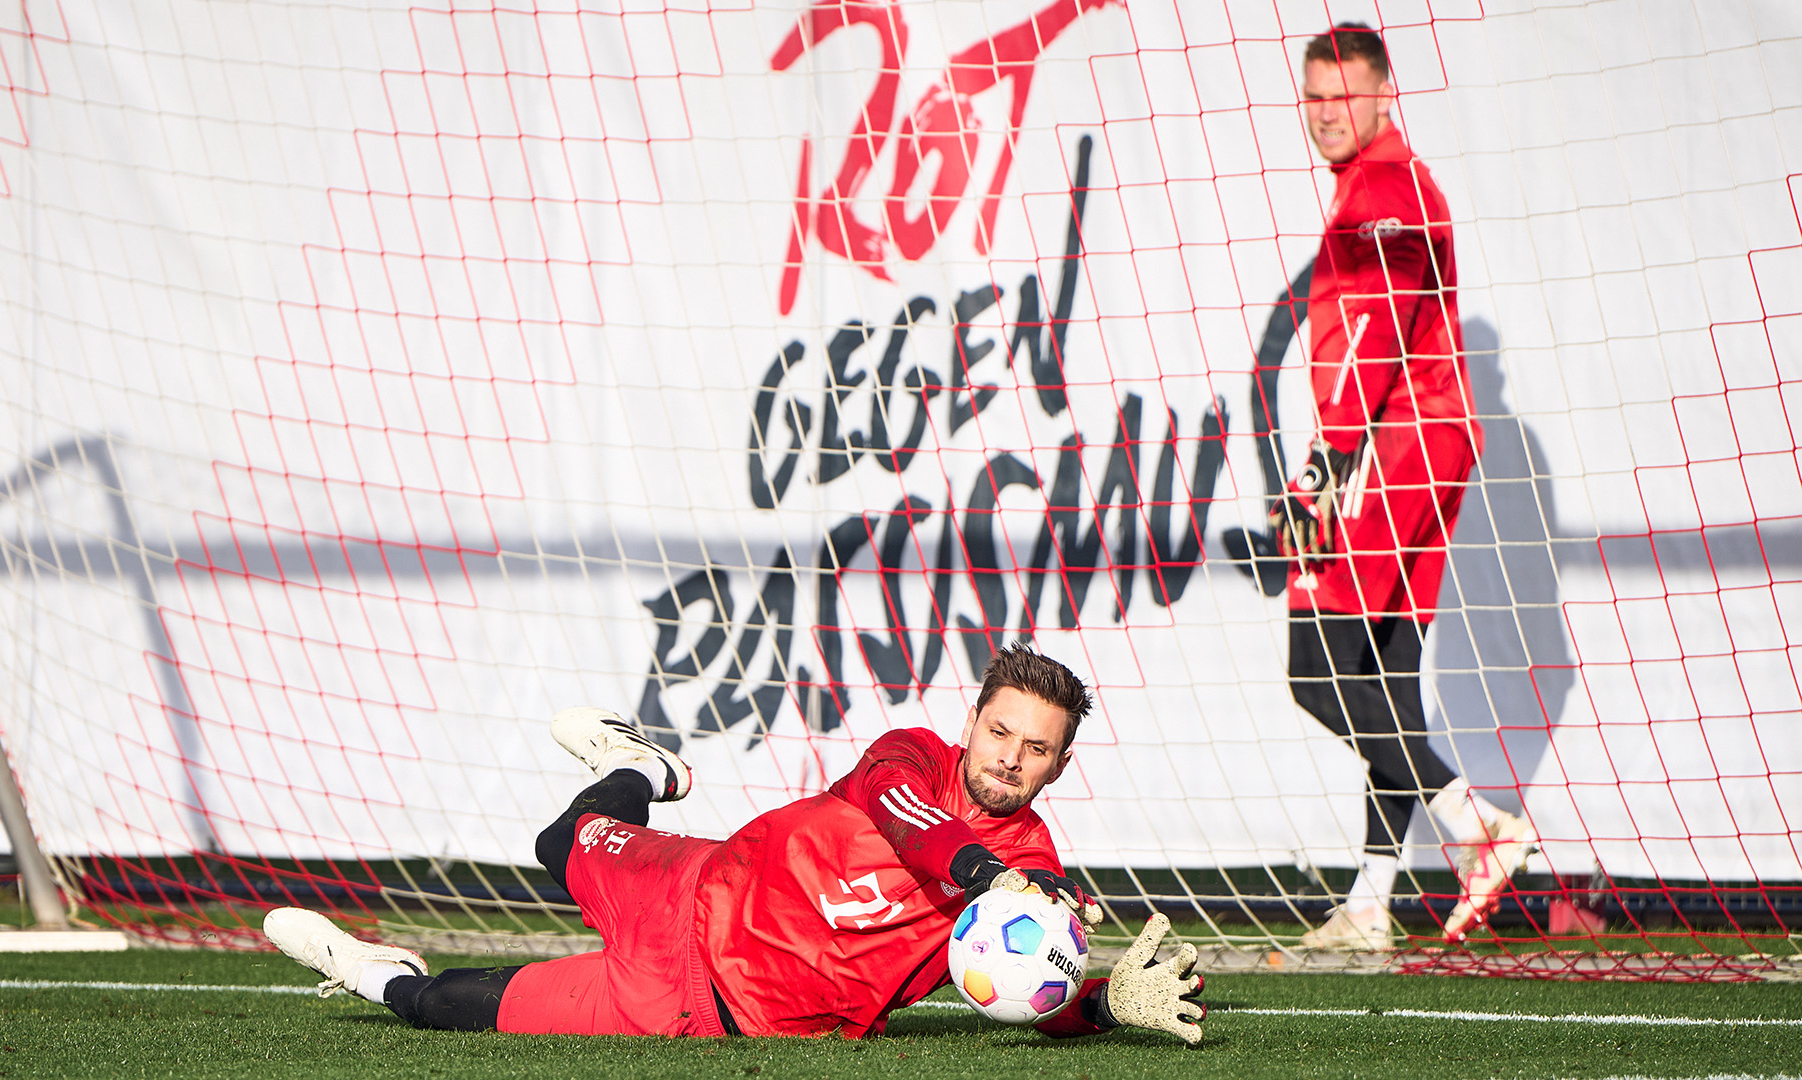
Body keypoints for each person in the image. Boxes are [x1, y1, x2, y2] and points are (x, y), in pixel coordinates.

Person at [265, 645, 1206, 1042]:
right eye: (1000, 733)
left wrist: (1104, 1005)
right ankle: (638, 768)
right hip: (693, 885)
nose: (1010, 758)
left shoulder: (1037, 879)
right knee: (558, 840)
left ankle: (371, 968)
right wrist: (989, 877)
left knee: (439, 1011)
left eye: (1036, 748)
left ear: (1060, 764)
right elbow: (908, 819)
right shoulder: (911, 757)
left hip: (697, 1007)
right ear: (971, 724)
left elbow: (1025, 993)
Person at [1269, 22, 1536, 950]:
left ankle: (1478, 826)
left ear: (1385, 94)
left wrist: (1322, 464)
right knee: (1382, 676)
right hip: (1422, 445)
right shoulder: (1382, 187)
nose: (1326, 114)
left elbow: (1379, 336)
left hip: (1396, 448)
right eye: (1314, 97)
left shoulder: (1384, 188)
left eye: (1343, 95)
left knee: (1316, 669)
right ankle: (1372, 903)